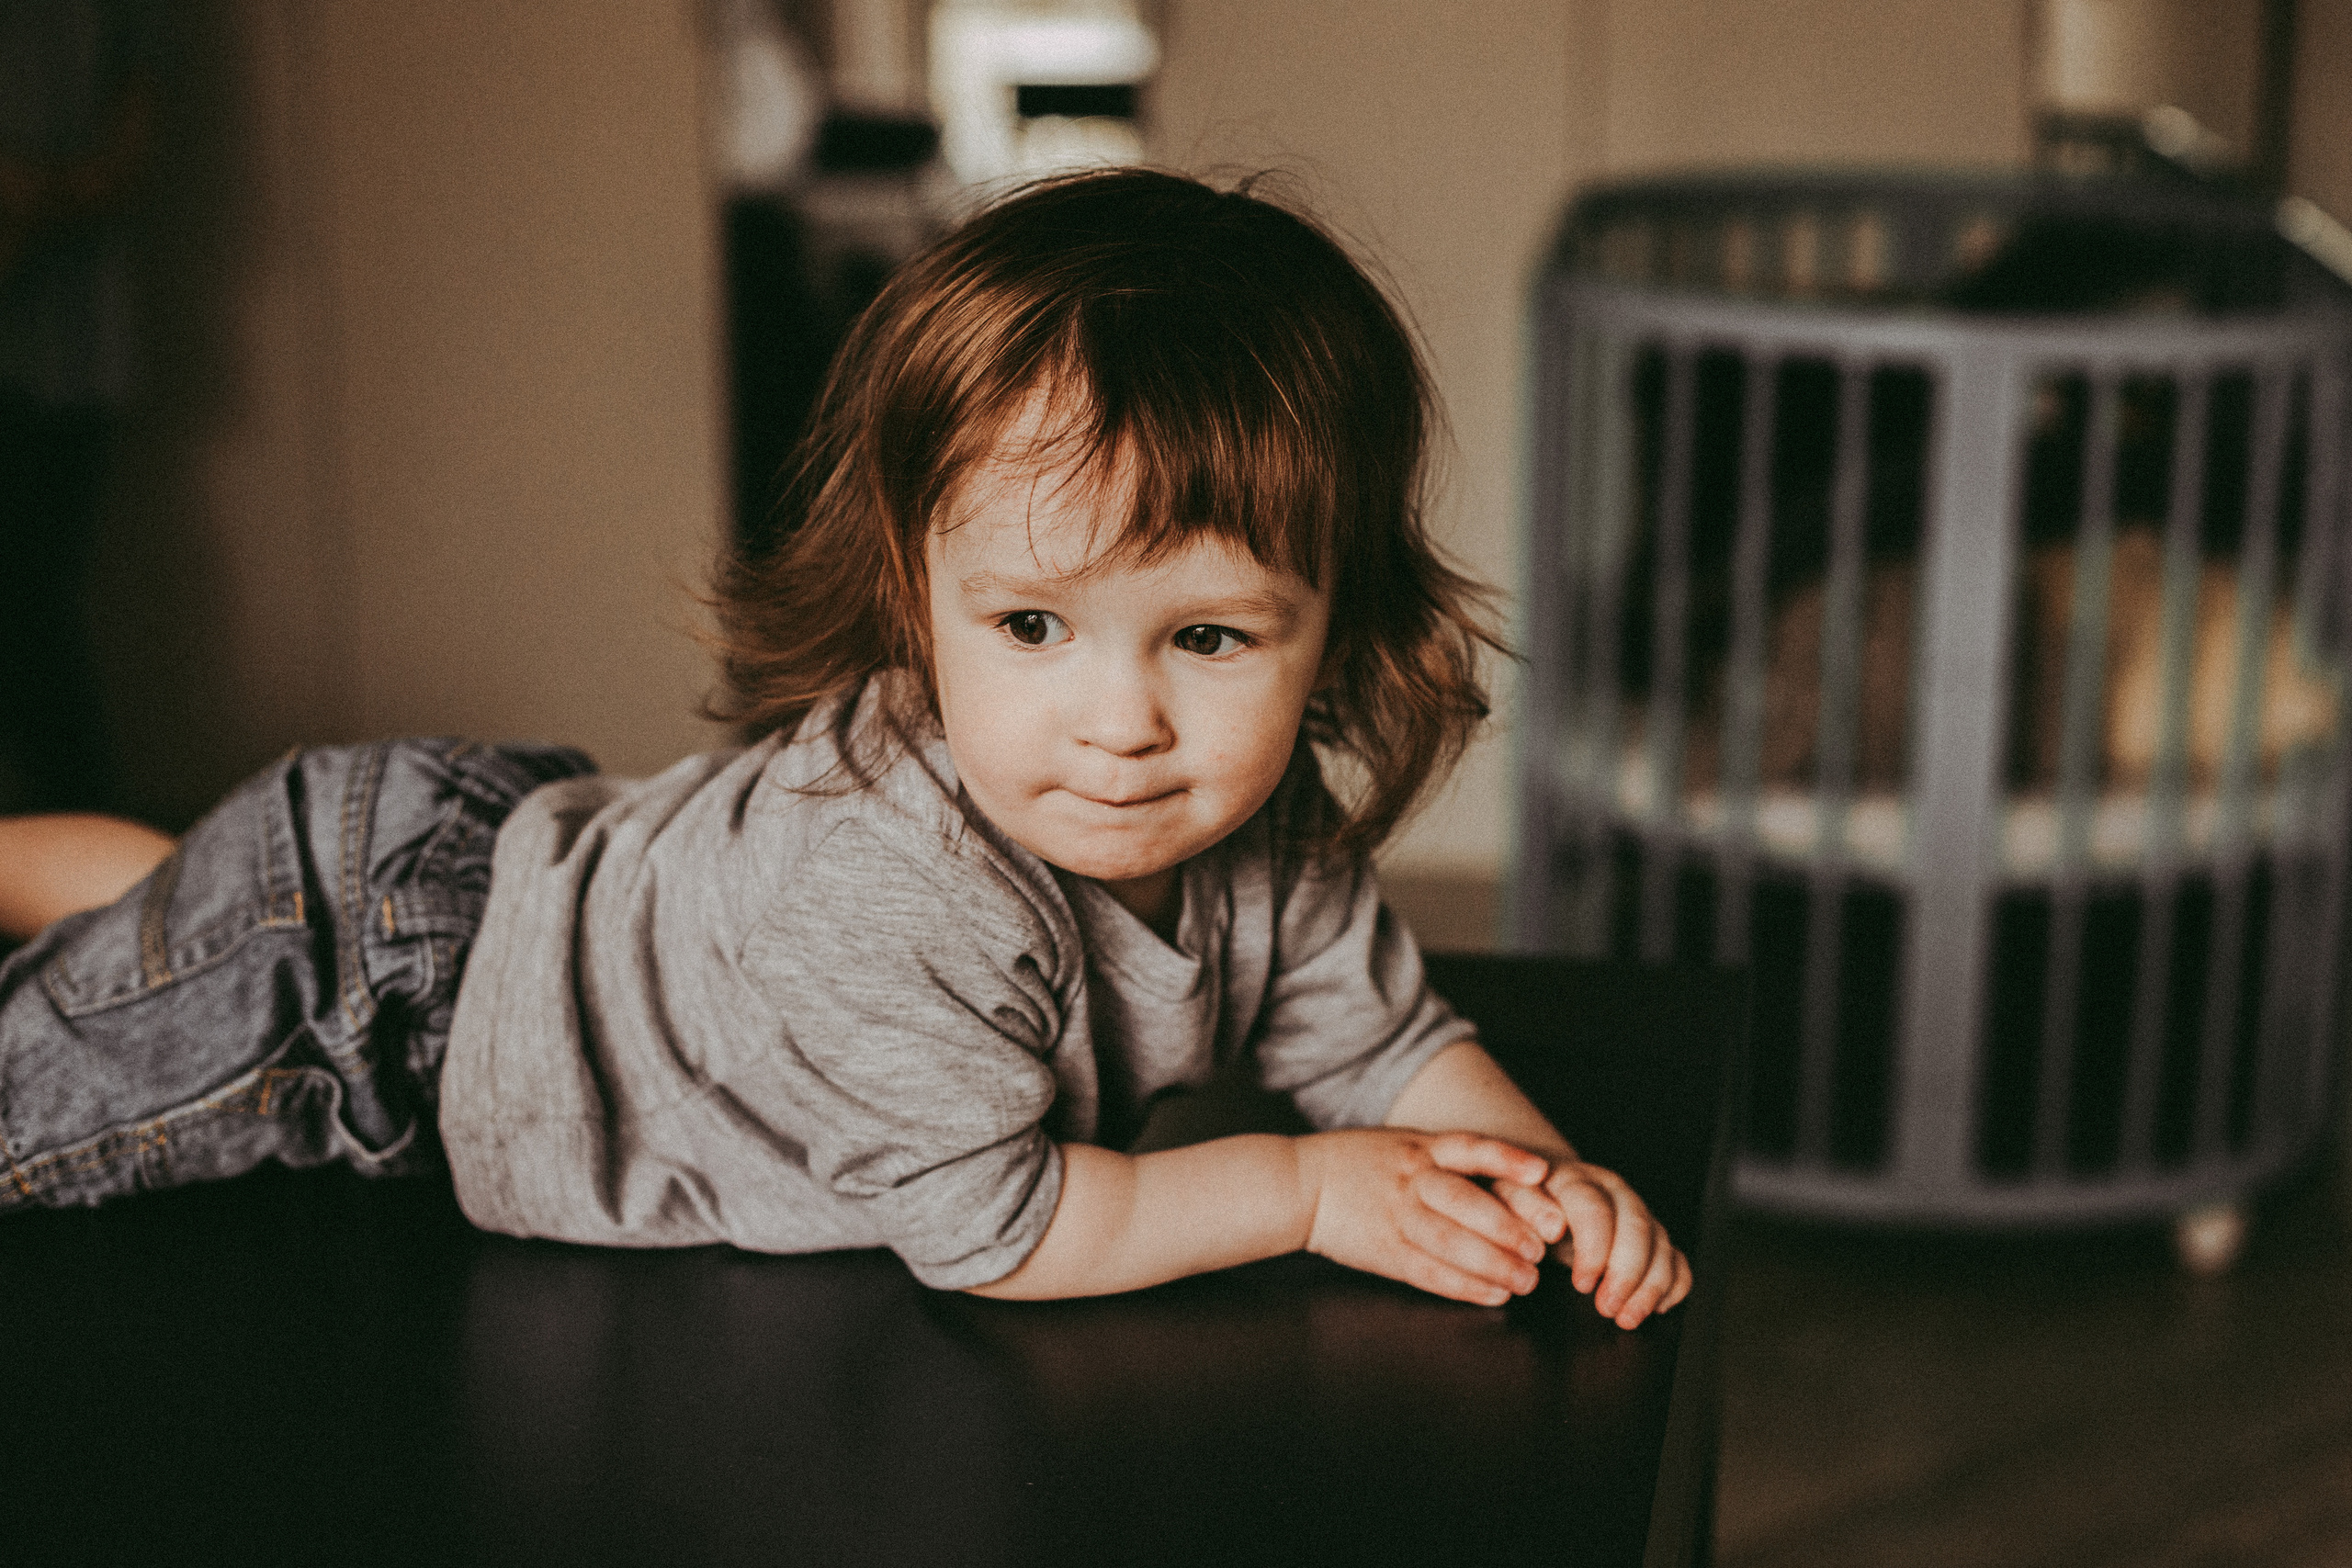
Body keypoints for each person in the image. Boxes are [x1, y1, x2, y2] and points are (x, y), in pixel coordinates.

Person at [0, 169, 1691, 1326]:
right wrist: (1314, 1195)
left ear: (1335, 622)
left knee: (186, 909)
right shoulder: (892, 882)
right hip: (393, 999)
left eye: (1209, 637)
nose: (1121, 725)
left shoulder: (1274, 834)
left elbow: (1393, 1044)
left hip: (479, 866)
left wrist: (1540, 1186)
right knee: (47, 1089)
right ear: (920, 594)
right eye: (1031, 628)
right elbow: (1006, 1232)